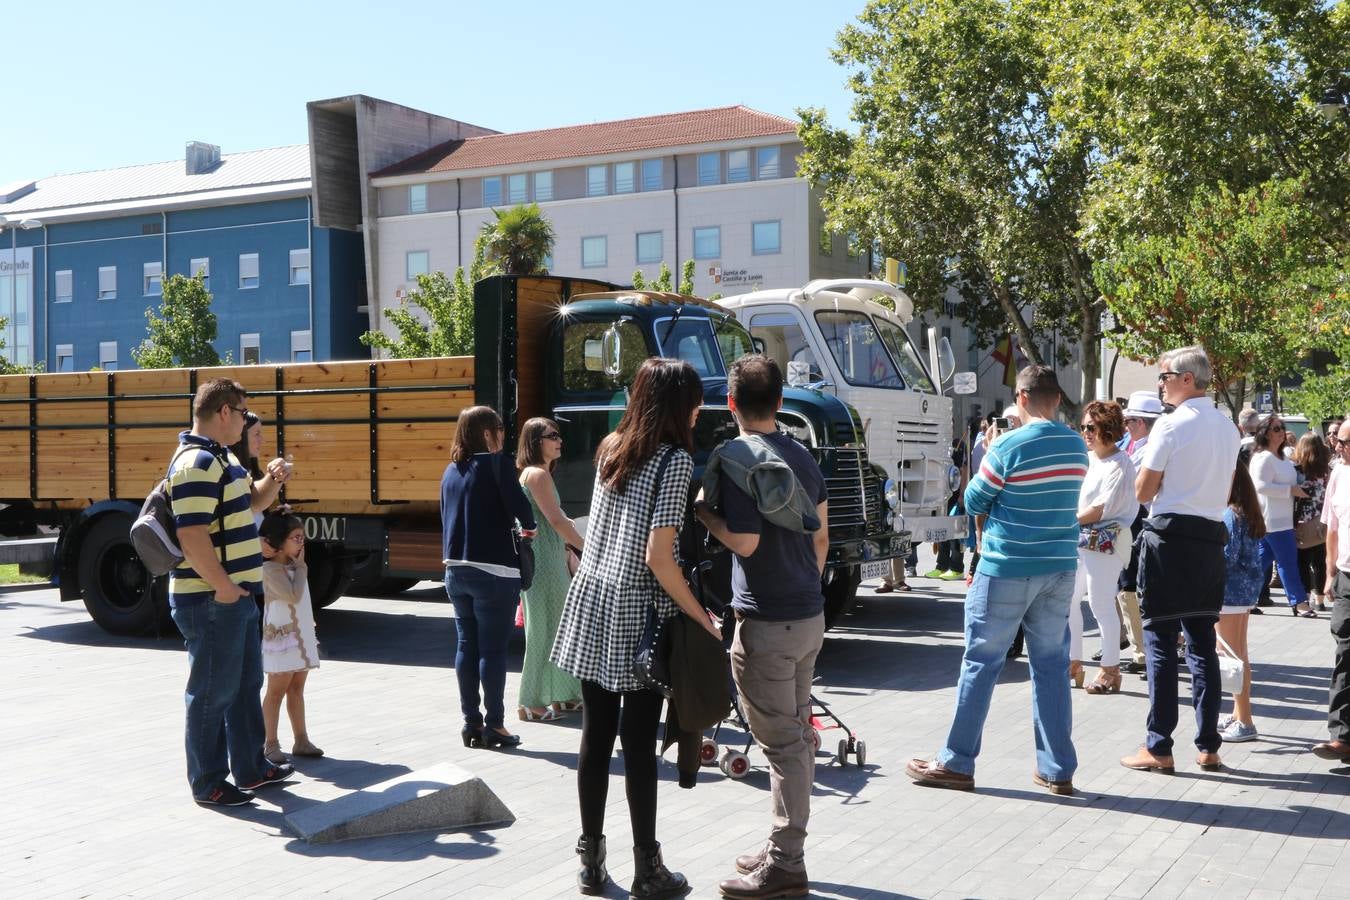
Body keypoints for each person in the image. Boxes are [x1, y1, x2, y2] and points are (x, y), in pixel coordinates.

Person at [550, 358, 720, 898]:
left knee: (595, 734)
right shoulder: (673, 461)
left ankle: (591, 861)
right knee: (639, 743)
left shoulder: (610, 448)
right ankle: (648, 868)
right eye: (694, 400)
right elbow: (659, 557)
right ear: (677, 406)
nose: (698, 410)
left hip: (593, 596)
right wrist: (701, 614)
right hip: (639, 610)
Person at [906, 366, 1087, 795]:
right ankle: (1057, 768)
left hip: (1007, 565)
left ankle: (957, 761)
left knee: (981, 663)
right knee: (1051, 668)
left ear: (1021, 397)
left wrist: (988, 453)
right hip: (1059, 565)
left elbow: (973, 500)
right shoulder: (1077, 446)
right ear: (1057, 398)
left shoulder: (1007, 445)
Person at [693, 355, 829, 899]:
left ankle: (786, 860)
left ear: (731, 403)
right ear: (779, 401)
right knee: (796, 734)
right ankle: (780, 844)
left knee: (784, 745)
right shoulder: (803, 454)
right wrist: (802, 588)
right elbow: (820, 538)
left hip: (766, 624)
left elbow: (745, 542)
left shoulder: (735, 458)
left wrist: (704, 515)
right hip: (808, 616)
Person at [168, 378, 293, 807]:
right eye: (242, 412)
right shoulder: (197, 462)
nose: (245, 421)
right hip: (212, 599)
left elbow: (252, 505)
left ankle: (250, 769)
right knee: (211, 692)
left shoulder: (223, 460)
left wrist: (272, 481)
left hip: (234, 597)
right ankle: (208, 782)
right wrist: (223, 587)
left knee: (242, 686)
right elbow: (192, 535)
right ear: (224, 411)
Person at [1120, 346, 1239, 775]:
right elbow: (1224, 493)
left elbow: (1142, 492)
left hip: (1170, 539)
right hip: (1209, 539)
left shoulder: (1170, 426)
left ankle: (1159, 745)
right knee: (1202, 644)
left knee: (1160, 645)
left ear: (1187, 379)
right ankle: (1208, 744)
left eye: (1165, 376)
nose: (1161, 383)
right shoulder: (1227, 428)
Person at [441, 405, 538, 751]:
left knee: (466, 645)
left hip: (455, 569)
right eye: (499, 427)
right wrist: (530, 531)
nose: (503, 432)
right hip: (495, 570)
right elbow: (523, 513)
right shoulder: (497, 465)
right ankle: (495, 724)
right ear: (486, 433)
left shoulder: (450, 471)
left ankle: (471, 723)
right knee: (493, 650)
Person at [515, 417, 584, 721]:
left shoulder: (540, 474)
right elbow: (556, 522)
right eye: (551, 436)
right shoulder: (537, 476)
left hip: (550, 561)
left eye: (558, 435)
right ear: (534, 442)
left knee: (559, 630)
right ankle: (530, 701)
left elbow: (559, 520)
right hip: (543, 565)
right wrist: (585, 548)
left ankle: (565, 695)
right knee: (544, 632)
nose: (559, 441)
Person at [1067, 401, 1137, 695]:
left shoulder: (1121, 463)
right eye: (1083, 427)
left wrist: (1065, 522)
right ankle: (1073, 662)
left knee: (1100, 603)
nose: (1085, 432)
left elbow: (1100, 508)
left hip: (1106, 541)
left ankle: (1110, 669)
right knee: (1069, 600)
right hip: (1081, 539)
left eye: (1091, 427)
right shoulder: (1088, 459)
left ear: (1108, 429)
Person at [258, 512, 323, 764]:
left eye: (303, 537)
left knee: (297, 687)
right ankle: (270, 743)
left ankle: (302, 739)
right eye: (296, 538)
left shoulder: (294, 566)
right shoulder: (271, 569)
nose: (301, 543)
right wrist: (302, 566)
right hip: (282, 639)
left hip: (300, 636)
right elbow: (293, 596)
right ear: (278, 541)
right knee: (276, 690)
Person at [1216, 463, 1266, 743]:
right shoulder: (1245, 512)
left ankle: (1245, 720)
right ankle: (1238, 714)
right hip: (1243, 591)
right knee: (1239, 656)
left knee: (1232, 658)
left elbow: (1226, 557)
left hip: (1230, 592)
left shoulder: (1230, 515)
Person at [1116, 391, 1164, 676]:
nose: (1126, 426)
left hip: (1141, 521)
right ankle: (1139, 648)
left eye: (1131, 420)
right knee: (1128, 585)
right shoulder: (1134, 447)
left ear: (1143, 423)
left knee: (1132, 585)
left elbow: (1130, 485)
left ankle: (1143, 652)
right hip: (1133, 521)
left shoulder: (1147, 450)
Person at [1249, 415, 1314, 617]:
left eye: (1281, 428)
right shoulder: (1263, 457)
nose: (1281, 432)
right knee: (1287, 561)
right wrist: (1290, 490)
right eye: (1276, 428)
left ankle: (1245, 597)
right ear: (1265, 433)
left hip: (1282, 518)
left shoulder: (1283, 457)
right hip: (1272, 520)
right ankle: (1299, 601)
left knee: (1261, 563)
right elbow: (1260, 486)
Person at [1313, 419, 1350, 763]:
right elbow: (1333, 530)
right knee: (1345, 654)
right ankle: (1342, 737)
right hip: (1347, 578)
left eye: (1345, 443)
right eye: (1337, 441)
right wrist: (1329, 574)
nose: (1338, 448)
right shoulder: (1338, 474)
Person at [1294, 433, 1331, 612]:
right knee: (1319, 562)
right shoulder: (1326, 471)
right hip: (1323, 521)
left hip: (1302, 522)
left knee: (1302, 562)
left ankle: (1306, 598)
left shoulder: (1299, 471)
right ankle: (1321, 600)